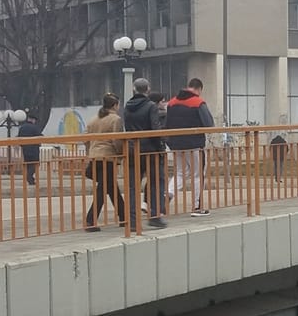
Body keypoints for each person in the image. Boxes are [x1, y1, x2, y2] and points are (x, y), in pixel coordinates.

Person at [121, 78, 167, 229]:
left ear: (134, 89)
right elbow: (155, 130)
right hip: (150, 150)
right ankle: (155, 216)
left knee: (133, 186)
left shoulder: (127, 106)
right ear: (148, 89)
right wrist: (160, 146)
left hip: (132, 149)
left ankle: (132, 221)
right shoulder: (151, 106)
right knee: (156, 182)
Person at [165, 78, 215, 216]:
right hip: (194, 145)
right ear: (199, 89)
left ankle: (167, 193)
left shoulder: (171, 103)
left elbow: (166, 124)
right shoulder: (198, 102)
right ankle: (197, 207)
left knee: (180, 172)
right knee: (198, 174)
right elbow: (209, 123)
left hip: (175, 145)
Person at [82, 95, 127, 231]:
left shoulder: (93, 119)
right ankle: (90, 221)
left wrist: (89, 153)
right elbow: (116, 140)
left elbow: (85, 139)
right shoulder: (116, 119)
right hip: (108, 157)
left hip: (95, 157)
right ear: (115, 105)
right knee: (103, 189)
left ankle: (124, 216)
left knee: (111, 187)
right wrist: (121, 154)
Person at [16, 113, 43, 186]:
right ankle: (29, 177)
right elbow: (40, 136)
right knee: (35, 163)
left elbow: (19, 138)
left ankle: (30, 180)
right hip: (34, 149)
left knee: (28, 164)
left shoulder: (22, 128)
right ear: (32, 120)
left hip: (25, 149)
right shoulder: (34, 127)